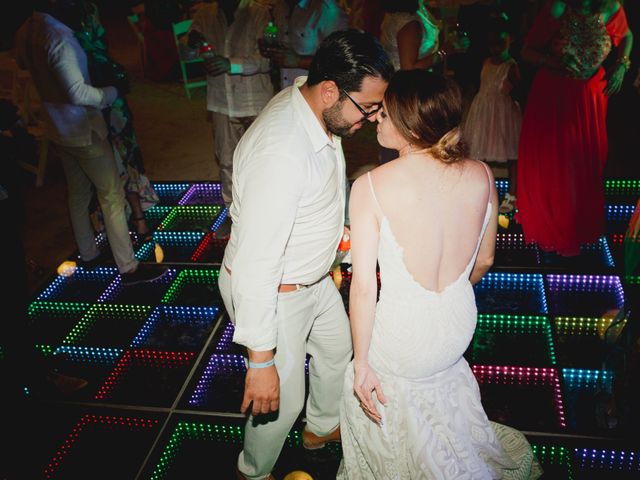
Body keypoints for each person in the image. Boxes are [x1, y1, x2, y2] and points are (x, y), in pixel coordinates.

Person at [337, 70, 542, 479]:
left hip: (404, 337)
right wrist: (443, 301)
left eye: (386, 113)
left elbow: (362, 290)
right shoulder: (483, 174)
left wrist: (362, 366)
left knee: (355, 374)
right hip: (457, 323)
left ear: (410, 125)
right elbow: (484, 262)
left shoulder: (371, 186)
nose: (377, 119)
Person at [218, 29, 394, 480]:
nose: (373, 119)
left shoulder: (315, 105)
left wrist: (339, 238)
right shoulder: (283, 150)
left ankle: (318, 431)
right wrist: (261, 362)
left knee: (338, 354)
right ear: (331, 90)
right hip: (275, 291)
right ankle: (252, 471)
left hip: (311, 281)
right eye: (368, 107)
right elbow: (258, 260)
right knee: (279, 400)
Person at [15, 0, 166, 285]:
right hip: (82, 129)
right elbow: (78, 93)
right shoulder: (59, 37)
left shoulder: (26, 29)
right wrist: (113, 92)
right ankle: (129, 267)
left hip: (56, 127)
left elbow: (23, 63)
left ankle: (89, 253)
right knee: (111, 196)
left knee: (78, 193)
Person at [515, 0, 633, 256]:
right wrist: (553, 61)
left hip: (591, 95)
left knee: (586, 160)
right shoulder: (559, 8)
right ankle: (554, 226)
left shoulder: (610, 7)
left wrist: (622, 65)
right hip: (555, 94)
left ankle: (577, 226)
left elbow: (627, 35)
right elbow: (527, 51)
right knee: (557, 162)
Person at [188, 0, 274, 237]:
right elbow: (187, 52)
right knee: (227, 160)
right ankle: (233, 214)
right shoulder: (204, 13)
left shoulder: (259, 12)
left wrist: (230, 64)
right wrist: (190, 41)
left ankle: (267, 212)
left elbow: (267, 59)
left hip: (254, 99)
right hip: (221, 99)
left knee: (263, 160)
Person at [76, 1, 159, 243]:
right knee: (113, 173)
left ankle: (134, 220)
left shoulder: (85, 41)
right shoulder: (77, 43)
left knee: (121, 166)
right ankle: (129, 225)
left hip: (111, 114)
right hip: (98, 113)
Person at [377, 0, 469, 164]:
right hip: (407, 96)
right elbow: (408, 68)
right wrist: (443, 52)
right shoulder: (410, 24)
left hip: (401, 92)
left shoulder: (398, 16)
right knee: (409, 142)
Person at [462, 20, 522, 214]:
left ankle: (512, 194)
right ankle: (484, 191)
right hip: (484, 112)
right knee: (481, 151)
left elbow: (519, 91)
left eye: (500, 43)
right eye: (492, 44)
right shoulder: (485, 62)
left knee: (510, 153)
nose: (496, 49)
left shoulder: (511, 66)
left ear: (510, 41)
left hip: (502, 114)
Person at [259, 0, 348, 90]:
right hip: (287, 92)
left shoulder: (326, 9)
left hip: (316, 97)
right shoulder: (280, 7)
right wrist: (270, 46)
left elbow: (341, 62)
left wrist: (299, 61)